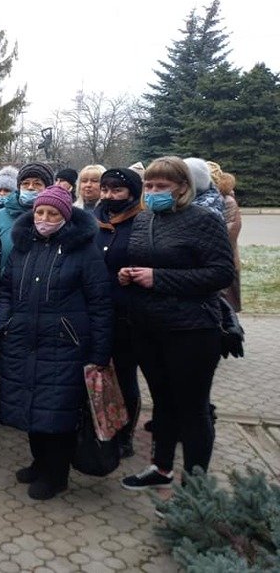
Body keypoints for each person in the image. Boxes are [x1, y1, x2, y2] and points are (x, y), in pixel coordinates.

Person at [119, 157, 234, 491]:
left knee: (193, 408)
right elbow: (142, 260)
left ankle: (194, 487)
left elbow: (221, 274)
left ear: (183, 188)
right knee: (163, 402)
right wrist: (129, 274)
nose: (153, 192)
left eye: (162, 187)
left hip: (192, 330)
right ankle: (161, 467)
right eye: (149, 186)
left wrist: (159, 278)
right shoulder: (144, 220)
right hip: (148, 326)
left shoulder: (204, 221)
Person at [0, 185, 112, 500]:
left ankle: (56, 474)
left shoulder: (83, 250)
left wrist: (100, 350)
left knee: (57, 412)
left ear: (66, 216)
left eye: (53, 213)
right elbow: (5, 288)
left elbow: (100, 302)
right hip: (23, 339)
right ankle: (39, 462)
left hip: (65, 344)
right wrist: (2, 323)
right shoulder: (23, 246)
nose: (44, 218)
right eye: (40, 212)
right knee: (31, 405)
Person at [94, 168, 144, 458]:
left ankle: (125, 434)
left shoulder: (141, 222)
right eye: (105, 190)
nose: (109, 196)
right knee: (97, 373)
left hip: (126, 311)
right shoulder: (94, 220)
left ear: (132, 194)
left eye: (117, 191)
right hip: (94, 309)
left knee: (124, 375)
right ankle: (101, 426)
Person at [0, 161, 54, 274]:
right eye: (25, 183)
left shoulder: (55, 217)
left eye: (37, 183)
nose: (30, 187)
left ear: (48, 188)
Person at [217, 171, 242, 312]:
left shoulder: (227, 201)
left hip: (227, 258)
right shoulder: (222, 199)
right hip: (227, 258)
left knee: (227, 303)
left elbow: (229, 231)